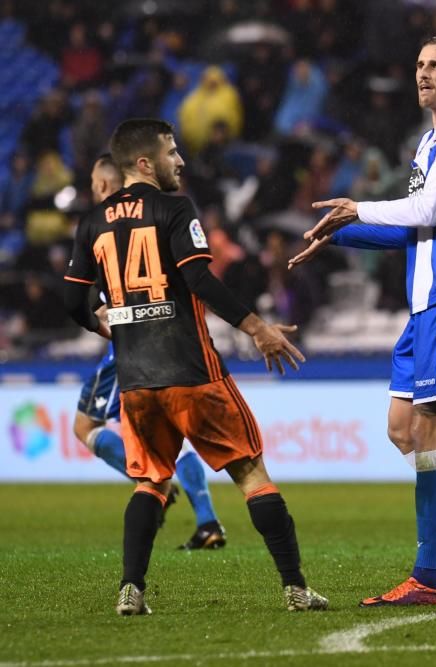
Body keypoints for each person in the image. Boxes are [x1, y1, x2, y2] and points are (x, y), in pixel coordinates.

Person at [64, 118, 327, 615]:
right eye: (171, 151)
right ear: (144, 163)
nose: (180, 160)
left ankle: (131, 590)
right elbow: (200, 279)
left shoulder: (92, 221)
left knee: (151, 482)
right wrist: (257, 327)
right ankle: (295, 588)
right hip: (193, 372)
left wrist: (116, 328)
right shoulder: (174, 208)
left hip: (137, 381)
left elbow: (73, 303)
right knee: (251, 472)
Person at [288, 35, 436, 607]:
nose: (423, 74)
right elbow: (411, 226)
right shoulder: (427, 143)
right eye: (418, 65)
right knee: (403, 430)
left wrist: (356, 206)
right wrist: (339, 233)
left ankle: (427, 576)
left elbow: (430, 210)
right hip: (425, 302)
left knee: (432, 431)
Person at [72, 154, 227, 550]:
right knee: (179, 434)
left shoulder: (101, 227)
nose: (92, 189)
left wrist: (99, 312)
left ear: (106, 185)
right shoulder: (161, 217)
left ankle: (153, 482)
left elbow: (87, 299)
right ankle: (207, 521)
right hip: (173, 344)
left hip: (128, 348)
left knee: (85, 427)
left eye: (94, 181)